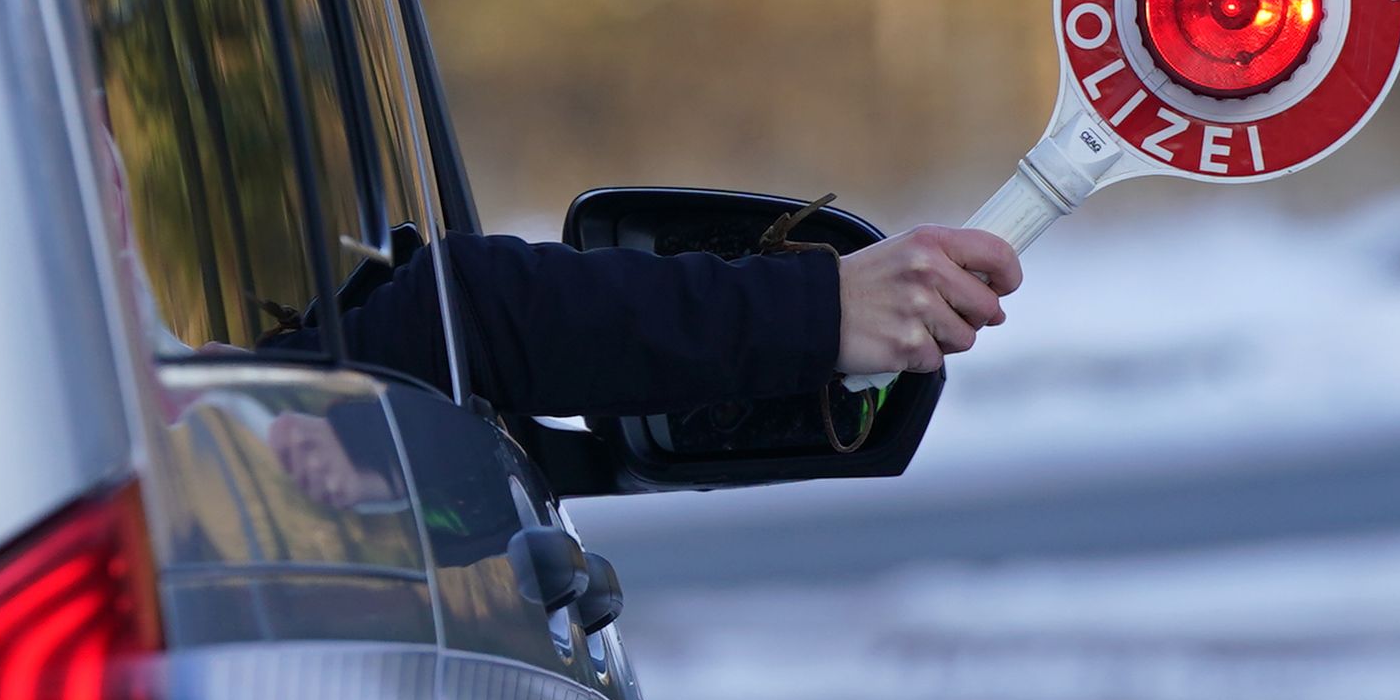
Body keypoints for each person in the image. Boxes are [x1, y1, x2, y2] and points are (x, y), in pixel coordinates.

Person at [263, 222, 1021, 510]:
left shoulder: (242, 427)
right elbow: (463, 319)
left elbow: (453, 324)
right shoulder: (242, 435)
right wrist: (817, 308)